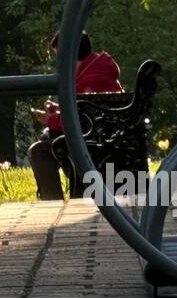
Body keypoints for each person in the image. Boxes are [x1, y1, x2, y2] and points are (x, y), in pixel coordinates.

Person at [28, 31, 123, 200]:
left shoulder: (89, 79)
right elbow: (83, 111)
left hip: (91, 144)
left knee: (39, 151)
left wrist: (49, 119)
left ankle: (52, 202)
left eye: (60, 57)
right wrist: (58, 110)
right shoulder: (97, 70)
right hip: (104, 139)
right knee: (47, 143)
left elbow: (76, 121)